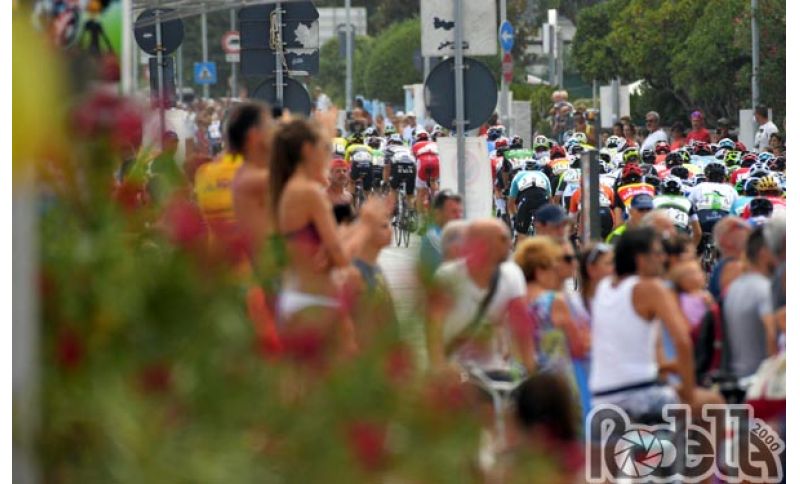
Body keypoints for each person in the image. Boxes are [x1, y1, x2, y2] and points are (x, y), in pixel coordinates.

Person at [269, 117, 386, 359]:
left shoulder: (292, 188)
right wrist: (366, 225)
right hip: (317, 303)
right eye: (324, 149)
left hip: (302, 297)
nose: (327, 157)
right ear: (307, 150)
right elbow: (340, 257)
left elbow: (323, 251)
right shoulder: (309, 192)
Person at [590, 227, 697, 426]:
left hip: (601, 397)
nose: (663, 258)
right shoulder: (650, 288)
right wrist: (690, 395)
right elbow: (683, 340)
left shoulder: (603, 287)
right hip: (640, 394)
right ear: (640, 259)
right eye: (658, 253)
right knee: (712, 404)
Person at [427, 218, 536, 374]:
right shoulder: (447, 277)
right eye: (502, 239)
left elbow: (522, 327)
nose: (510, 244)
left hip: (494, 369)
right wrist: (439, 368)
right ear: (482, 244)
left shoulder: (512, 274)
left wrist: (531, 371)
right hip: (454, 370)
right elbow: (434, 328)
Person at [723, 226, 779, 379]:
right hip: (760, 380)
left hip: (740, 377)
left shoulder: (734, 288)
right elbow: (772, 335)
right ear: (764, 252)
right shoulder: (765, 289)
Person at [228, 102, 276, 257]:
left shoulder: (256, 174)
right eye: (270, 126)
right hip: (268, 269)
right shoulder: (252, 179)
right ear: (254, 136)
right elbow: (301, 178)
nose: (275, 131)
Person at [419, 190, 463, 280]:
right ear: (438, 213)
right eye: (454, 212)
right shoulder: (432, 236)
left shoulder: (452, 234)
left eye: (460, 212)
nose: (459, 216)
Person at [707, 216, 751, 302]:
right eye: (740, 226)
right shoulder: (734, 268)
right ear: (725, 240)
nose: (748, 230)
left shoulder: (726, 265)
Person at [508, 162, 553, 241]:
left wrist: (515, 217)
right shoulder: (543, 176)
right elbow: (550, 200)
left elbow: (511, 202)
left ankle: (521, 243)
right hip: (542, 199)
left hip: (526, 200)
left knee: (521, 233)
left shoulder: (518, 176)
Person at [326, 158, 355, 224]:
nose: (342, 173)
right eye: (338, 171)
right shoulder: (324, 196)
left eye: (344, 171)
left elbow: (351, 221)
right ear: (330, 175)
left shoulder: (349, 197)